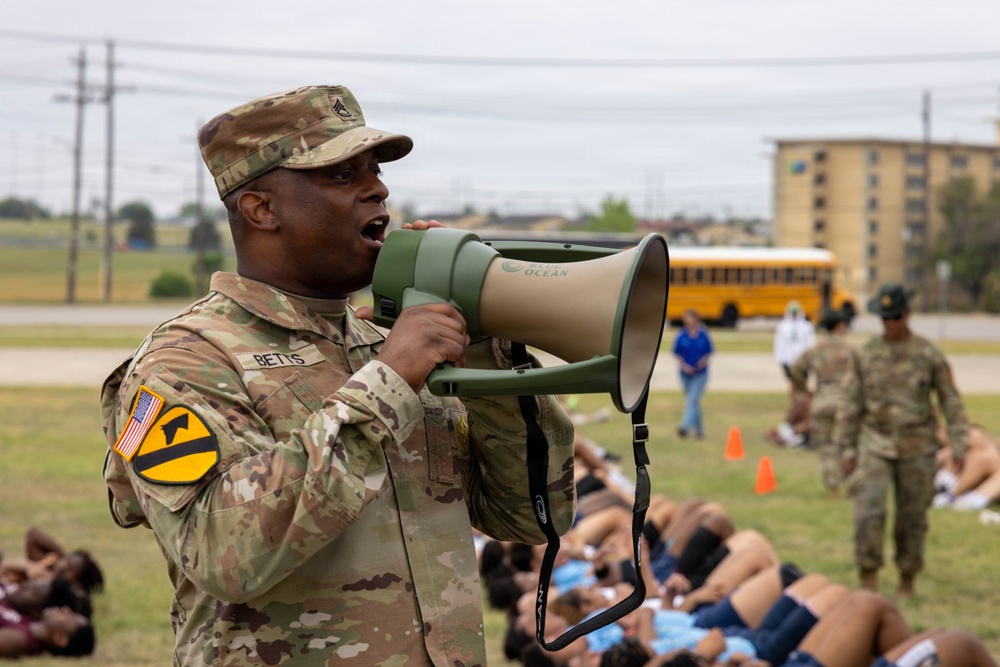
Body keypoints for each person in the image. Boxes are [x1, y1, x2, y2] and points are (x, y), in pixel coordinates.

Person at [99, 85, 577, 666]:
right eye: (341, 176)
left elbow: (529, 515)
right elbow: (224, 553)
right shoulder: (181, 363)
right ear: (262, 209)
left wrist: (484, 349)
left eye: (374, 171)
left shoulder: (391, 345)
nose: (377, 189)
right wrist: (386, 385)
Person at [833, 283, 969, 598]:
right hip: (875, 444)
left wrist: (958, 443)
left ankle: (908, 578)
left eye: (896, 317)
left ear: (907, 315)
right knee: (869, 511)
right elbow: (850, 404)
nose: (891, 324)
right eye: (885, 319)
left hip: (917, 447)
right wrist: (846, 448)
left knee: (912, 517)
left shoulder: (927, 353)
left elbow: (951, 401)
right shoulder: (866, 354)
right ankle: (868, 578)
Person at [787, 307, 855, 497]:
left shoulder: (816, 348)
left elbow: (796, 368)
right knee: (848, 446)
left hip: (823, 401)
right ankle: (851, 486)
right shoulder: (853, 348)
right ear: (840, 326)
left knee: (827, 448)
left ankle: (833, 489)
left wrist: (804, 391)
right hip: (847, 403)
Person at [672, 310, 713, 439]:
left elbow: (708, 352)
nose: (687, 321)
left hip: (700, 374)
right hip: (685, 374)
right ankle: (700, 432)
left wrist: (701, 363)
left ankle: (684, 427)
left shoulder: (703, 335)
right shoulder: (681, 335)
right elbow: (676, 353)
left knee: (692, 399)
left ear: (696, 319)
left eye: (689, 318)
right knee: (693, 402)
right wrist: (684, 366)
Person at [0, 603, 95, 658]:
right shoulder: (28, 621)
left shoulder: (19, 639)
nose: (66, 609)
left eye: (69, 616)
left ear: (60, 638)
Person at [773, 301, 815, 380]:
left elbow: (810, 342)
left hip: (802, 357)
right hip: (787, 357)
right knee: (791, 379)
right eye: (792, 312)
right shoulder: (782, 326)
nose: (794, 314)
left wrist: (810, 357)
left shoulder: (806, 326)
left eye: (796, 312)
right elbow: (779, 343)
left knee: (802, 379)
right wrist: (779, 357)